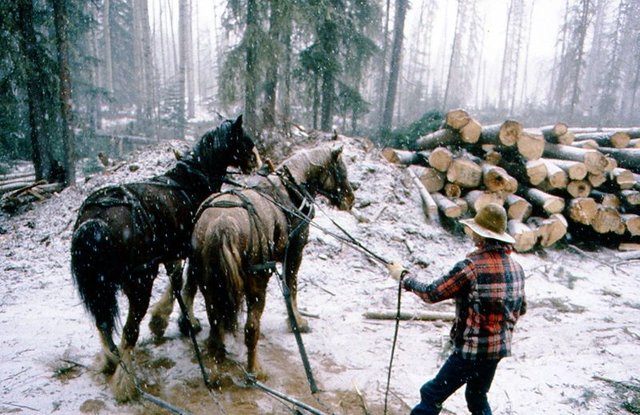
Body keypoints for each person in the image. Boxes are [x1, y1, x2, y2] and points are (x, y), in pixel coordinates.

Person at [388, 203, 527, 415]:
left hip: (470, 352)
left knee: (431, 394)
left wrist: (403, 277)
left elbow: (432, 293)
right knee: (477, 396)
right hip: (496, 351)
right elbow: (521, 308)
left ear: (480, 236)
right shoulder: (517, 268)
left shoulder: (470, 266)